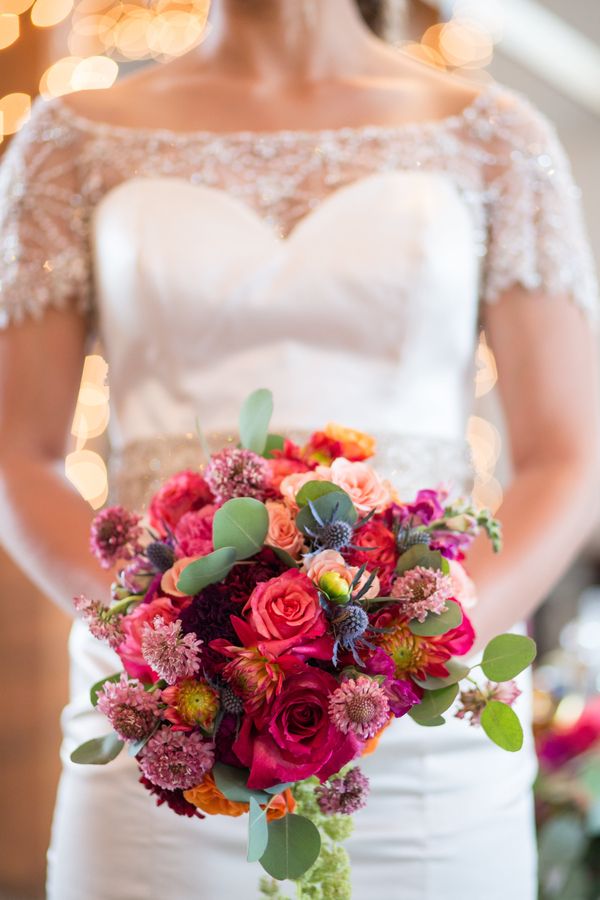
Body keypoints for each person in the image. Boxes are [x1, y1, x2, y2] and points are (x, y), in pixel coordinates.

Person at [0, 0, 598, 897]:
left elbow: (567, 454)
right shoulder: (72, 136)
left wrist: (418, 646)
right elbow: (19, 451)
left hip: (429, 720)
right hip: (165, 715)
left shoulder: (494, 138)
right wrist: (155, 643)